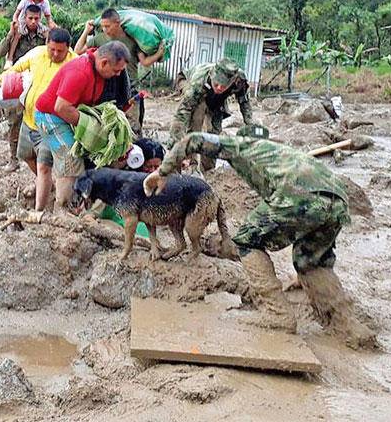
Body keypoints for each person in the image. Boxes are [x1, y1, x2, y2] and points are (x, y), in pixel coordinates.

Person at [143, 124, 377, 349]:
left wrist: (162, 173)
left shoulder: (241, 147)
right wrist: (302, 277)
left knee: (246, 239)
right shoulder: (280, 153)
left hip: (300, 195)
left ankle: (278, 314)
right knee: (312, 262)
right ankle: (349, 328)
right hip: (337, 200)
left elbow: (191, 140)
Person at [34, 41, 129, 212]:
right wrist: (92, 128)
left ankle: (67, 205)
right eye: (116, 71)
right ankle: (62, 209)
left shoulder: (98, 70)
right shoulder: (80, 71)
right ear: (104, 63)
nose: (118, 75)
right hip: (51, 117)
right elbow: (61, 107)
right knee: (72, 161)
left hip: (67, 115)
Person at [75, 9, 164, 136]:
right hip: (106, 86)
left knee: (132, 126)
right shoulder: (99, 39)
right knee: (107, 123)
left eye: (107, 26)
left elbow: (144, 62)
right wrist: (86, 31)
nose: (105, 29)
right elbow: (78, 51)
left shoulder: (132, 40)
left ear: (118, 23)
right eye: (103, 26)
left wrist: (159, 53)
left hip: (131, 87)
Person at [3, 28, 76, 181]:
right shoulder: (37, 53)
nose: (55, 54)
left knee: (44, 165)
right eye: (52, 49)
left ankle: (46, 191)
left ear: (68, 48)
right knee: (25, 155)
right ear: (46, 43)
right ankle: (48, 185)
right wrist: (1, 81)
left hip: (51, 124)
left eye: (60, 51)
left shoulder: (74, 64)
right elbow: (15, 69)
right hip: (28, 120)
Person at [169, 58, 253, 172]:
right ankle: (190, 163)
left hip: (215, 100)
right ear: (211, 74)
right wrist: (175, 144)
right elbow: (182, 115)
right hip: (188, 82)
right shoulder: (198, 82)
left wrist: (251, 129)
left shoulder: (239, 81)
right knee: (197, 115)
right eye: (216, 83)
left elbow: (245, 104)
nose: (219, 88)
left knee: (214, 133)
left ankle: (208, 170)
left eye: (223, 86)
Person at [0, 4, 50, 170]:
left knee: (39, 121)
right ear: (25, 18)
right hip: (18, 83)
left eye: (36, 19)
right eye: (30, 18)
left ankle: (37, 159)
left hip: (38, 82)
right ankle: (13, 159)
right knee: (14, 121)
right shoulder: (18, 32)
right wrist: (11, 34)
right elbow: (0, 52)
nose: (33, 22)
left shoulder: (44, 35)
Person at [9, 0, 56, 65]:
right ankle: (10, 58)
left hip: (37, 22)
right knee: (17, 35)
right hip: (23, 21)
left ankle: (48, 58)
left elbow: (48, 18)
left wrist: (52, 25)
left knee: (48, 35)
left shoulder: (45, 2)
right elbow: (16, 13)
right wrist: (16, 22)